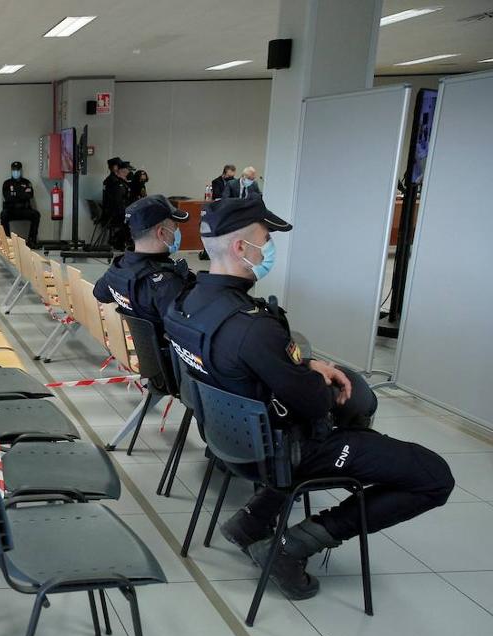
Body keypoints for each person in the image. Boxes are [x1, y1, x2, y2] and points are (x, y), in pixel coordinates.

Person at [164, 197, 454, 599]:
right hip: (279, 451)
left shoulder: (183, 304)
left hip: (226, 442)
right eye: (266, 240)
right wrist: (315, 377)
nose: (269, 250)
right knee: (433, 476)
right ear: (240, 249)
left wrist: (303, 364)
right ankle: (288, 548)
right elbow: (317, 405)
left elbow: (236, 366)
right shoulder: (253, 327)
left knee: (332, 401)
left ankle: (252, 519)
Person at [94, 194, 193, 333]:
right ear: (162, 233)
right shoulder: (167, 285)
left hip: (140, 348)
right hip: (164, 352)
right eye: (175, 226)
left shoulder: (120, 267)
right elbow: (186, 335)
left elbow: (99, 293)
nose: (177, 231)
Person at [0, 161, 40, 247]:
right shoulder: (7, 183)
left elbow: (30, 195)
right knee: (3, 215)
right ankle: (7, 240)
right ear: (11, 170)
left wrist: (15, 194)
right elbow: (7, 197)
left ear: (21, 170)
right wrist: (22, 194)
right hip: (11, 210)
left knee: (36, 214)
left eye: (17, 170)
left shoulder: (26, 182)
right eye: (14, 169)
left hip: (24, 209)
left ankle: (32, 240)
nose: (16, 172)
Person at [101, 157, 132, 249]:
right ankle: (118, 241)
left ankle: (120, 241)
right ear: (115, 168)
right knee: (133, 219)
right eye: (120, 167)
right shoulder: (114, 181)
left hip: (115, 210)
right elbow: (117, 201)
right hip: (114, 212)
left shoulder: (115, 180)